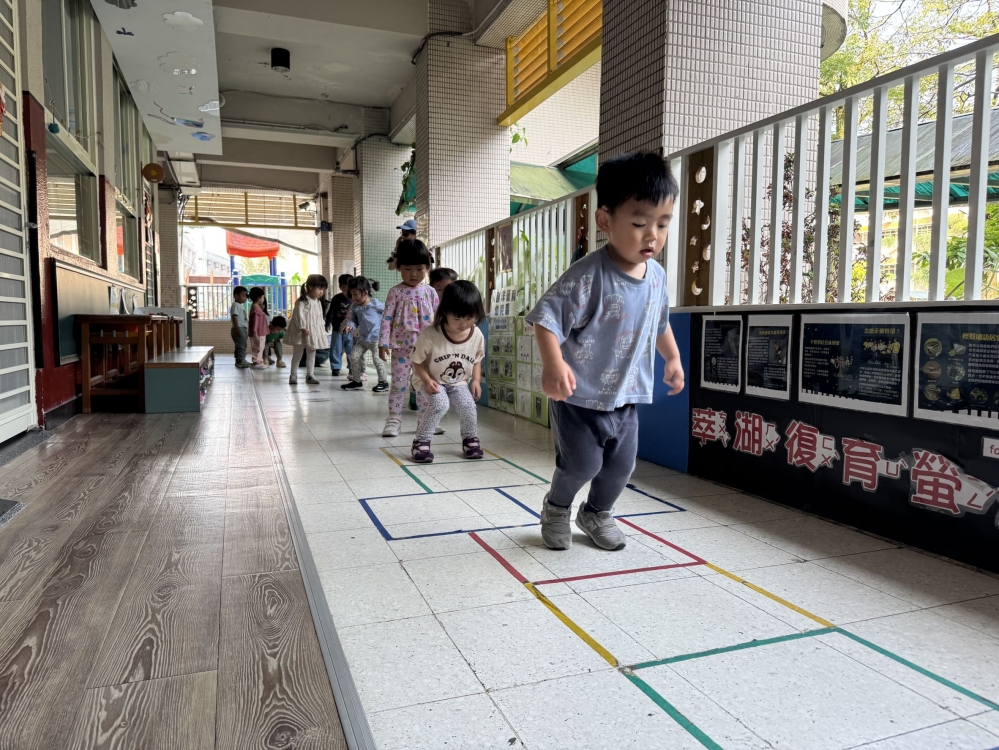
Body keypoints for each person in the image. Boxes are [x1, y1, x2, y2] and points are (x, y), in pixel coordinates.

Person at [526, 152, 685, 552]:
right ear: (605, 220)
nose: (652, 235)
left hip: (626, 397)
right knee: (582, 464)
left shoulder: (657, 277)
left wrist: (672, 357)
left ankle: (596, 512)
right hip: (579, 396)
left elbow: (659, 322)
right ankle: (557, 507)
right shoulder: (587, 274)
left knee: (621, 466)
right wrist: (553, 363)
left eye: (663, 223)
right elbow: (546, 319)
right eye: (639, 223)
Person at [410, 281, 486, 463]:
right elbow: (416, 361)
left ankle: (470, 440)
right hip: (430, 380)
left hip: (458, 382)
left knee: (468, 406)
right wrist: (426, 380)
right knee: (440, 404)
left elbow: (477, 359)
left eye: (469, 318)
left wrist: (476, 380)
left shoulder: (476, 334)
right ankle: (421, 442)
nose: (464, 324)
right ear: (445, 312)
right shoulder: (431, 333)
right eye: (457, 319)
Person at [378, 238, 438, 437]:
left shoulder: (430, 292)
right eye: (407, 269)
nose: (413, 274)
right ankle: (394, 419)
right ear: (398, 268)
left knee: (425, 385)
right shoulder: (395, 292)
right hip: (401, 348)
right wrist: (383, 343)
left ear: (427, 268)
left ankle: (426, 420)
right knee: (398, 385)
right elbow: (386, 318)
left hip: (426, 350)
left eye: (419, 269)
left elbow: (439, 319)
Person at [341, 277, 388, 392]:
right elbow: (354, 320)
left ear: (365, 292)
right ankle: (357, 382)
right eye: (352, 294)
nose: (353, 298)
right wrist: (350, 325)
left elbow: (389, 312)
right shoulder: (355, 307)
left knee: (377, 359)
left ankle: (383, 382)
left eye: (355, 294)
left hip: (376, 339)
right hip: (363, 339)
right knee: (354, 356)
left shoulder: (375, 304)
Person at [286, 274, 329, 385]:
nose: (321, 292)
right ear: (310, 287)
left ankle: (310, 374)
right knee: (298, 354)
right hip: (301, 332)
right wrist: (302, 327)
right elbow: (298, 315)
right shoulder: (302, 301)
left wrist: (321, 327)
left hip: (313, 332)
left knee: (312, 352)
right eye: (319, 289)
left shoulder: (317, 302)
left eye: (323, 289)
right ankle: (293, 375)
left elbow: (319, 316)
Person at [327, 274, 355, 377]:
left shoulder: (354, 299)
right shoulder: (336, 298)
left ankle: (352, 368)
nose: (345, 288)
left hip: (351, 329)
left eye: (347, 285)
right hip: (337, 328)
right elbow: (331, 311)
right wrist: (328, 322)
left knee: (351, 349)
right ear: (340, 286)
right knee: (336, 348)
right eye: (343, 286)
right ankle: (335, 368)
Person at [247, 287, 269, 370]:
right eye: (263, 297)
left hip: (260, 332)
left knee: (260, 347)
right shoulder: (256, 309)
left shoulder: (255, 307)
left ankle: (259, 361)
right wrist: (255, 332)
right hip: (258, 333)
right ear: (258, 297)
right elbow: (255, 322)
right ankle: (257, 362)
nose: (263, 299)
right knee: (258, 347)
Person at [229, 286, 250, 368]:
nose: (245, 298)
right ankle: (241, 360)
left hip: (242, 328)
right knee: (242, 345)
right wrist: (236, 328)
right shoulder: (235, 305)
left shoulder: (240, 305)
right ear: (236, 296)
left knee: (241, 345)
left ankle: (239, 360)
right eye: (244, 296)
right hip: (239, 328)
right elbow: (234, 316)